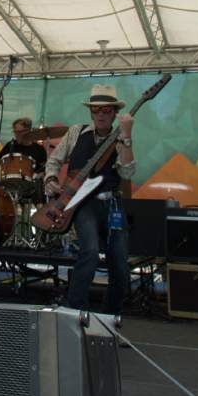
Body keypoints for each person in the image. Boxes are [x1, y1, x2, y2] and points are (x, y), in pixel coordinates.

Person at [44, 84, 135, 317]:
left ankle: (109, 319)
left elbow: (126, 173)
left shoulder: (120, 138)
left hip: (112, 203)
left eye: (106, 109)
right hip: (84, 205)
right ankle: (75, 314)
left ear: (115, 113)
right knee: (90, 252)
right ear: (91, 112)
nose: (101, 114)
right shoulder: (76, 132)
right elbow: (53, 161)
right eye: (96, 109)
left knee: (121, 267)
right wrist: (50, 179)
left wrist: (127, 137)